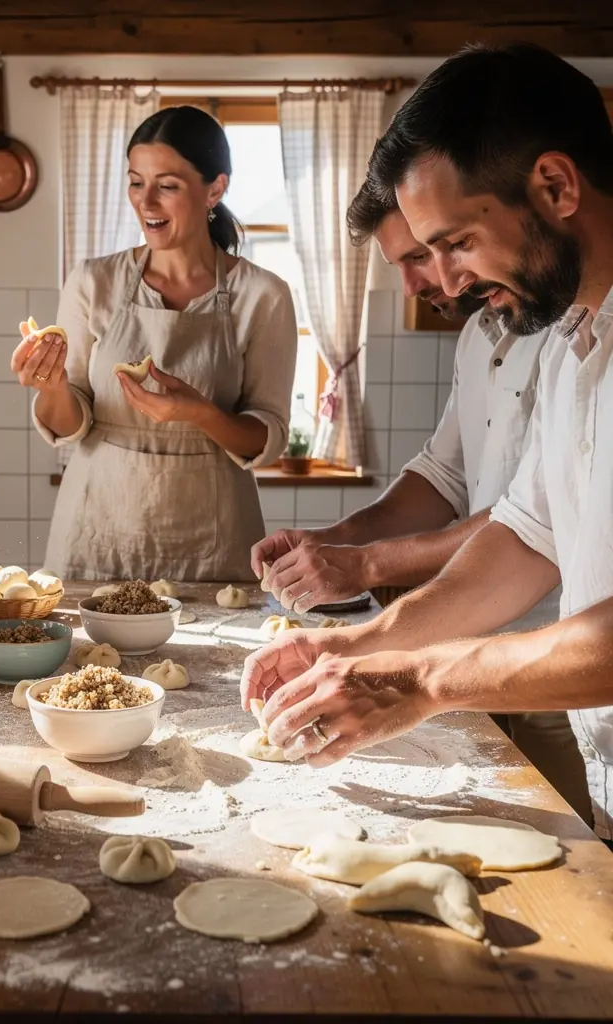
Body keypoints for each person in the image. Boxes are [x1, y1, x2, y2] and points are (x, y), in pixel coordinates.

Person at [240, 43, 613, 839]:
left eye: (455, 243)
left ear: (555, 186)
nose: (445, 282)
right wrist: (355, 648)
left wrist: (419, 679)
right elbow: (526, 536)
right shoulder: (578, 341)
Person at [11, 106, 297, 580]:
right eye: (135, 181)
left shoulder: (262, 295)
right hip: (99, 531)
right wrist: (53, 385)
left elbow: (268, 434)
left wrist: (199, 413)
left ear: (215, 189)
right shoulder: (93, 282)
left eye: (167, 186)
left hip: (213, 539)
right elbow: (70, 423)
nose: (146, 202)